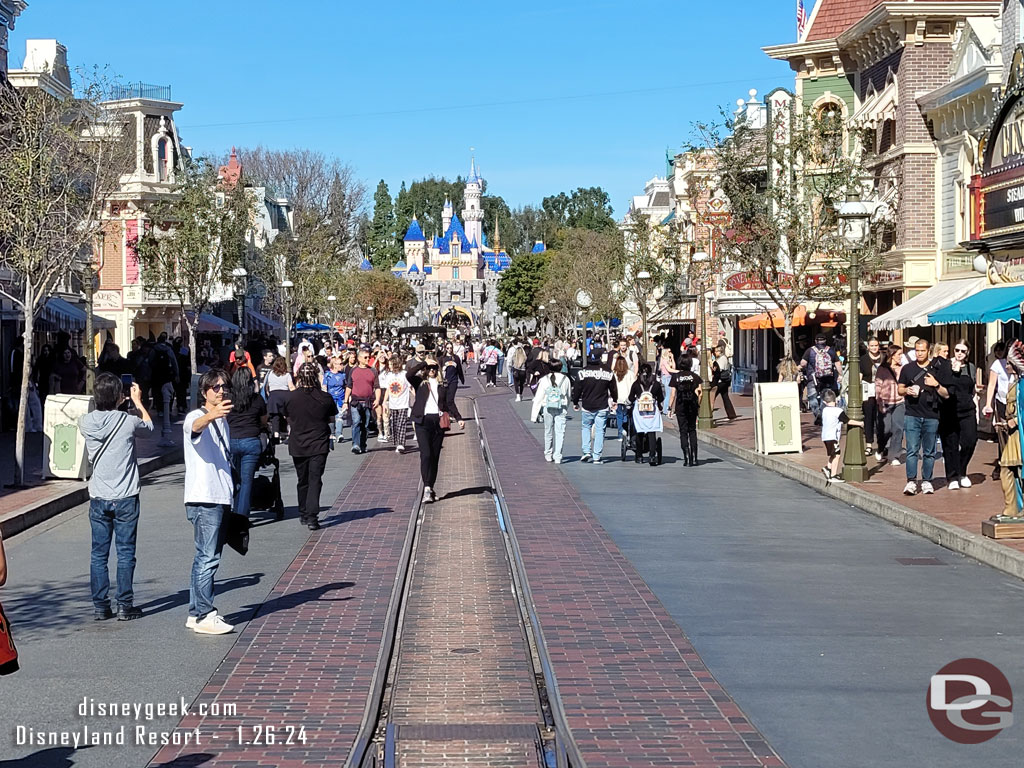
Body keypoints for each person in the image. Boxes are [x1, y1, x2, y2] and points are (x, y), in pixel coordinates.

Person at [80, 373, 153, 621]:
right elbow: (149, 428)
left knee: (98, 554)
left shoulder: (85, 422)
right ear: (120, 397)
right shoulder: (127, 421)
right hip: (125, 495)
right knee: (125, 552)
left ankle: (101, 606)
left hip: (99, 494)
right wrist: (139, 402)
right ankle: (125, 605)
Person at [183, 369, 235, 635]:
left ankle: (195, 612)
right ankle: (205, 613)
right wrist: (211, 415)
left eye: (224, 386)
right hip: (205, 498)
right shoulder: (197, 416)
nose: (221, 391)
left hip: (218, 495)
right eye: (215, 387)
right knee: (208, 557)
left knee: (204, 555)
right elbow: (194, 427)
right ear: (204, 393)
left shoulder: (223, 421)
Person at [285, 363, 337, 530]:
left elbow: (287, 417)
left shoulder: (290, 398)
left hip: (298, 442)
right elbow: (331, 419)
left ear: (298, 377)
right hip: (319, 442)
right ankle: (312, 516)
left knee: (303, 479)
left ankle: (303, 512)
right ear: (316, 377)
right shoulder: (325, 398)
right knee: (315, 479)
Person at [897, 338, 948, 495]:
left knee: (929, 451)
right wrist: (908, 391)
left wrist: (936, 384)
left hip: (932, 415)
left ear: (928, 351)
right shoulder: (907, 369)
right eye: (917, 350)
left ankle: (927, 481)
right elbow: (900, 389)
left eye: (922, 350)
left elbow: (946, 394)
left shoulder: (936, 369)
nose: (919, 353)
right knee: (912, 450)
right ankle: (911, 481)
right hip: (912, 414)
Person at [226, 368, 267, 521]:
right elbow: (263, 420)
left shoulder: (229, 399)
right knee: (246, 480)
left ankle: (234, 510)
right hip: (251, 439)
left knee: (235, 479)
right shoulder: (257, 399)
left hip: (232, 439)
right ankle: (242, 516)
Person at [938, 339, 979, 490]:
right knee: (951, 445)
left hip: (967, 410)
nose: (959, 354)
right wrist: (952, 372)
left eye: (963, 351)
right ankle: (952, 476)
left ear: (967, 352)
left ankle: (962, 470)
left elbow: (972, 390)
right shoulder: (945, 366)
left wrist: (977, 411)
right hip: (950, 411)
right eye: (957, 350)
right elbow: (941, 387)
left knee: (970, 441)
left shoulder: (971, 368)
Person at [408, 357, 448, 503]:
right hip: (422, 422)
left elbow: (448, 403)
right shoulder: (420, 382)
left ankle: (431, 486)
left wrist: (459, 417)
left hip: (438, 423)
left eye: (434, 368)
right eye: (430, 368)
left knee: (435, 457)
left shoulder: (442, 385)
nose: (432, 370)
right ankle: (426, 488)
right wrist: (424, 363)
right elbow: (409, 374)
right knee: (426, 454)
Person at [573, 351, 618, 464]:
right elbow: (613, 387)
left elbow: (577, 388)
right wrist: (615, 400)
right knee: (600, 430)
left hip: (587, 404)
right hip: (602, 405)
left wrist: (575, 401)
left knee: (586, 427)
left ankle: (586, 451)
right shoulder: (608, 372)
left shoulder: (583, 372)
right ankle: (597, 456)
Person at [531, 359, 572, 463]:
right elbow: (569, 395)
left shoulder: (544, 379)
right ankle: (558, 455)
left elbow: (539, 396)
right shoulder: (566, 379)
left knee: (548, 431)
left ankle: (548, 453)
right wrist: (566, 406)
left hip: (547, 407)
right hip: (561, 407)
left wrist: (534, 414)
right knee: (560, 432)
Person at [820, 388, 863, 484]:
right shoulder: (838, 411)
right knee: (837, 455)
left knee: (833, 454)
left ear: (824, 402)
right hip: (833, 436)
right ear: (835, 399)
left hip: (825, 436)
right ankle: (833, 475)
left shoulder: (825, 410)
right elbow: (847, 421)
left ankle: (828, 468)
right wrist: (859, 423)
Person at [668, 352, 702, 466]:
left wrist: (669, 408)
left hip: (681, 405)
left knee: (683, 431)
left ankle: (686, 457)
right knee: (692, 430)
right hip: (692, 404)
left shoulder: (676, 377)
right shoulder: (695, 376)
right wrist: (698, 404)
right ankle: (695, 457)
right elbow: (700, 392)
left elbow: (673, 394)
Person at [344, 349, 381, 454]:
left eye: (368, 357)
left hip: (368, 401)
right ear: (359, 358)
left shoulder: (373, 371)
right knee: (356, 422)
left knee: (365, 425)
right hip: (356, 401)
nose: (368, 359)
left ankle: (363, 444)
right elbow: (349, 386)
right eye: (365, 357)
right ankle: (355, 444)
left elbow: (377, 387)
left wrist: (377, 400)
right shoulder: (354, 370)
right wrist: (345, 401)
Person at [628, 364, 664, 465]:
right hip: (652, 412)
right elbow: (661, 398)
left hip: (639, 412)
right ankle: (652, 456)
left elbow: (630, 398)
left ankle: (639, 456)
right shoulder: (656, 384)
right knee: (651, 431)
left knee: (639, 431)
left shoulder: (636, 384)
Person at [875, 345, 905, 465]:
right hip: (885, 402)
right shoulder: (882, 369)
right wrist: (879, 402)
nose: (901, 357)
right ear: (892, 355)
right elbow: (878, 386)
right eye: (899, 354)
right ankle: (882, 448)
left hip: (899, 402)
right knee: (885, 429)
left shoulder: (902, 368)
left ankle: (894, 455)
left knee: (898, 428)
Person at [800, 334, 840, 420]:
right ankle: (822, 413)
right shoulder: (831, 350)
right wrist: (840, 375)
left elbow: (803, 363)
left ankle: (817, 413)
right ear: (825, 340)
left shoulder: (810, 351)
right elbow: (837, 364)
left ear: (815, 341)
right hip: (828, 378)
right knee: (824, 396)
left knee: (812, 396)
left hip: (813, 378)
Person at [380, 356, 413, 452]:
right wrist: (384, 402)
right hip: (393, 404)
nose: (389, 366)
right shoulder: (389, 375)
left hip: (403, 403)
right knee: (394, 424)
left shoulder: (404, 375)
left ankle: (401, 444)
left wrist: (419, 397)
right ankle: (397, 442)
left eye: (390, 364)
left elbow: (410, 388)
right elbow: (387, 390)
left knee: (401, 423)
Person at [860, 337, 884, 457]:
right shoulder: (863, 360)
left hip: (882, 391)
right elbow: (860, 376)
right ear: (868, 346)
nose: (874, 348)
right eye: (872, 345)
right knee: (868, 418)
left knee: (881, 419)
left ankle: (881, 445)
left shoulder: (884, 358)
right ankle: (869, 444)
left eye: (876, 345)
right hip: (868, 391)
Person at [438, 346, 466, 428]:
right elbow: (438, 370)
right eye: (447, 348)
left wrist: (462, 379)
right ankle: (447, 415)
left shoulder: (456, 358)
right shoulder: (442, 359)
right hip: (444, 382)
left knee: (450, 400)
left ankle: (458, 417)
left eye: (450, 348)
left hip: (453, 381)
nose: (449, 349)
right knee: (442, 399)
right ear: (445, 349)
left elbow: (459, 369)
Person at [323, 355, 347, 446]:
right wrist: (325, 395)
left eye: (342, 363)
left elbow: (346, 387)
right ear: (334, 365)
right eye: (339, 364)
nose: (341, 365)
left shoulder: (343, 375)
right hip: (330, 398)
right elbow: (324, 386)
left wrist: (347, 399)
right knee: (331, 417)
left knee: (339, 416)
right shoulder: (328, 375)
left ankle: (339, 434)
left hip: (341, 397)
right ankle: (332, 433)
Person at [611, 355, 635, 441]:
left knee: (619, 415)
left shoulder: (614, 374)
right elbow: (634, 386)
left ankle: (620, 434)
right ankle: (627, 432)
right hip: (628, 398)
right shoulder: (630, 374)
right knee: (627, 415)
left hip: (618, 398)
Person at [710, 347, 737, 420]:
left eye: (716, 351)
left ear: (720, 352)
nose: (715, 353)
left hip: (720, 382)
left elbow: (719, 371)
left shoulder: (721, 359)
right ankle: (731, 414)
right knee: (725, 397)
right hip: (725, 381)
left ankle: (708, 415)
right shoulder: (723, 358)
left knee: (711, 397)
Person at [658, 344, 678, 415]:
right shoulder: (663, 360)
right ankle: (665, 410)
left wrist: (672, 358)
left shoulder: (668, 360)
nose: (670, 353)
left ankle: (667, 409)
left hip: (670, 377)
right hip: (666, 377)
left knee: (670, 394)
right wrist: (680, 371)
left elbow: (674, 367)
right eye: (669, 351)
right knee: (668, 394)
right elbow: (669, 369)